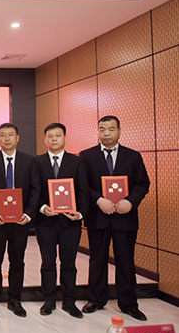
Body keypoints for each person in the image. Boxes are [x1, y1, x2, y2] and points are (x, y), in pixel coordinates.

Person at [79, 115, 150, 321]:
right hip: (98, 217)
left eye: (111, 129)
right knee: (97, 260)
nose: (106, 133)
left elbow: (142, 184)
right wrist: (98, 200)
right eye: (102, 129)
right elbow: (82, 184)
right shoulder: (86, 156)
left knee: (126, 261)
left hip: (124, 217)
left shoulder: (133, 156)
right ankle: (96, 300)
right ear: (98, 131)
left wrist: (130, 201)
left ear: (119, 131)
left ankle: (128, 304)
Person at [0, 122, 40, 317]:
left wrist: (28, 213)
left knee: (17, 261)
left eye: (10, 135)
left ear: (17, 138)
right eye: (3, 135)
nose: (7, 139)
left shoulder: (29, 161)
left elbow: (35, 189)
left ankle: (15, 299)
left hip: (20, 221)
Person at [35, 123, 88, 318]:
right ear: (45, 140)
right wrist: (42, 208)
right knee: (47, 263)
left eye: (58, 135)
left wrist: (80, 213)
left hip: (70, 222)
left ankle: (69, 301)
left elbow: (83, 190)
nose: (54, 139)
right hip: (45, 222)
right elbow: (34, 191)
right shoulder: (37, 162)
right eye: (50, 136)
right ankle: (49, 300)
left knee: (69, 263)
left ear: (65, 138)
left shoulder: (77, 162)